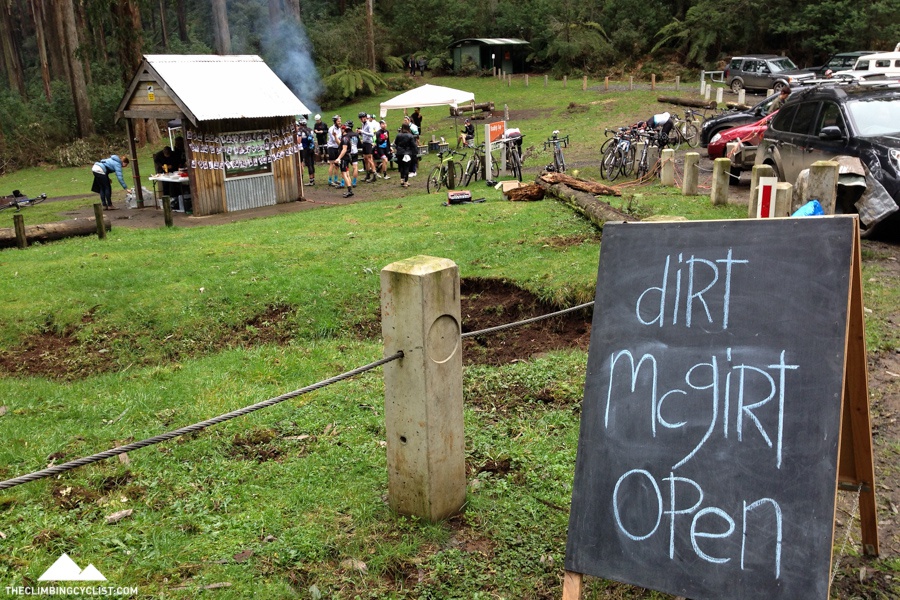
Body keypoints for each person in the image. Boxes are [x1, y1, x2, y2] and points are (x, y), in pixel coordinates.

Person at [333, 123, 356, 197]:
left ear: (343, 130)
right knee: (347, 174)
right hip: (347, 157)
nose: (340, 130)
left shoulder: (345, 138)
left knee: (344, 174)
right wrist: (335, 136)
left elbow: (344, 149)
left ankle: (349, 191)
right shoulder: (346, 137)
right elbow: (340, 144)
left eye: (341, 129)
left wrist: (338, 158)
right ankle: (350, 190)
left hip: (344, 158)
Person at [393, 123, 418, 188]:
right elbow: (413, 145)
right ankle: (406, 181)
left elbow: (395, 143)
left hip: (399, 153)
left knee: (401, 166)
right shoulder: (410, 136)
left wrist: (398, 148)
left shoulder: (398, 135)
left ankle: (402, 179)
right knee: (406, 167)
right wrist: (415, 152)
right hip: (407, 153)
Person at [359, 112, 378, 183]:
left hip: (368, 143)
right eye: (361, 118)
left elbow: (372, 134)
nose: (362, 119)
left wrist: (362, 132)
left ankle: (374, 174)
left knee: (370, 159)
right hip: (364, 142)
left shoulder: (369, 124)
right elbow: (364, 134)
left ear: (365, 117)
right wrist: (360, 133)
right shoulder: (363, 124)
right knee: (365, 159)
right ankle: (368, 174)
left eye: (363, 118)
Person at [297, 118, 316, 185]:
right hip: (312, 148)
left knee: (308, 164)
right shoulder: (310, 129)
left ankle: (311, 181)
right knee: (312, 164)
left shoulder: (300, 130)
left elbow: (299, 141)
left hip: (306, 149)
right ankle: (313, 179)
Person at [327, 115, 342, 187]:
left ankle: (336, 179)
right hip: (331, 147)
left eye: (340, 121)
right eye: (338, 121)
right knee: (332, 164)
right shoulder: (331, 129)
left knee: (337, 164)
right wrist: (339, 135)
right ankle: (330, 180)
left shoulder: (339, 129)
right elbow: (334, 139)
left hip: (337, 147)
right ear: (335, 121)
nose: (340, 122)